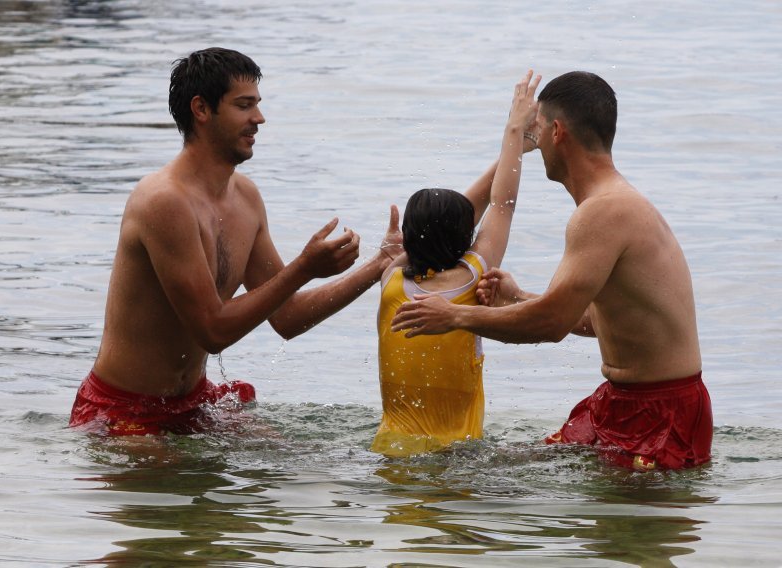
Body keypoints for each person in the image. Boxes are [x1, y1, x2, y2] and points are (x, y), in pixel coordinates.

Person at [70, 47, 402, 436]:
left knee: (286, 458)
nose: (258, 119)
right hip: (121, 410)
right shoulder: (163, 201)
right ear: (201, 109)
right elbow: (213, 331)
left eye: (257, 105)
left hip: (192, 403)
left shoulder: (245, 198)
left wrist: (379, 264)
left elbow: (287, 317)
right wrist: (304, 268)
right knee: (167, 481)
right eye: (244, 106)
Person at [390, 71, 712, 470]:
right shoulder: (609, 205)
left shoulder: (603, 211)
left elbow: (552, 325)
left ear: (557, 131)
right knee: (503, 466)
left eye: (537, 131)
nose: (535, 143)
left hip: (662, 411)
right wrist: (519, 297)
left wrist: (454, 315)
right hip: (622, 401)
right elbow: (598, 321)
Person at [370, 71, 541, 457]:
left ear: (409, 240)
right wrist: (515, 136)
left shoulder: (391, 276)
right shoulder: (472, 277)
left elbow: (450, 222)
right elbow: (501, 204)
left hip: (389, 449)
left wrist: (516, 143)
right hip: (458, 456)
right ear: (465, 237)